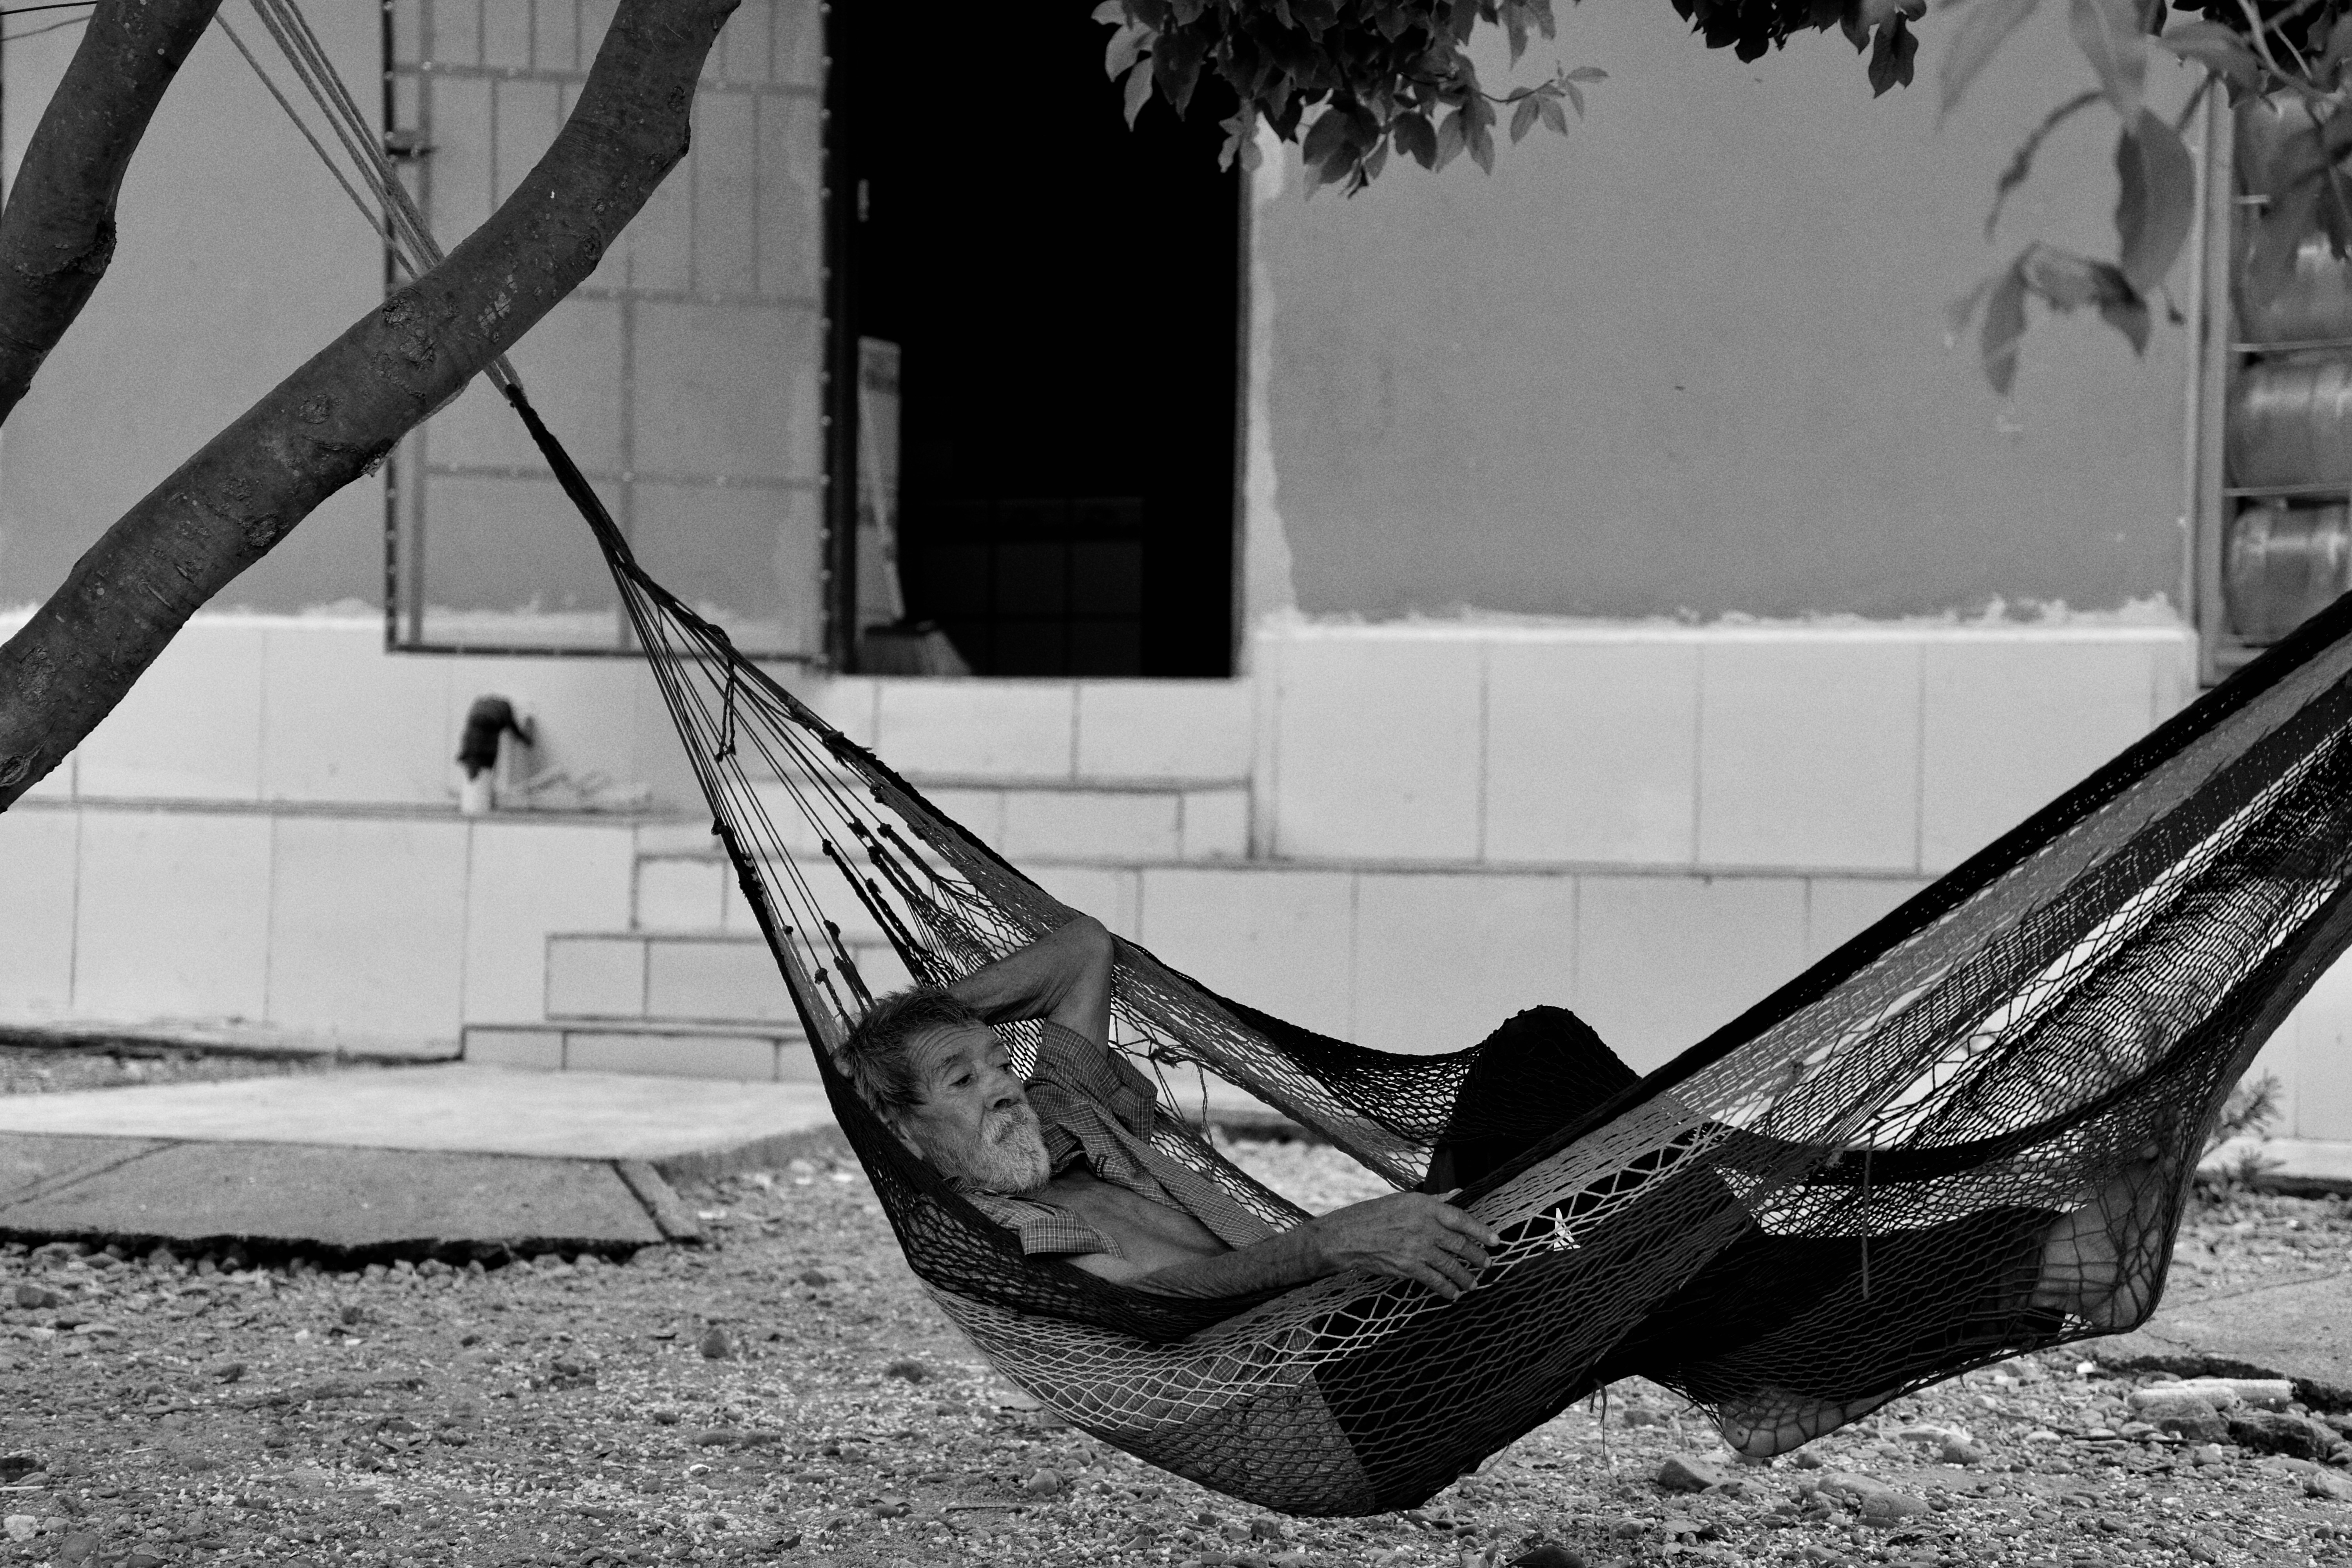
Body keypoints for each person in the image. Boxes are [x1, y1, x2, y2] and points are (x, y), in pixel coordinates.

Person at [836, 914, 2167, 1458]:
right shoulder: (1011, 1225)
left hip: (1378, 1311)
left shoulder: (1067, 1118)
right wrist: (1331, 1243)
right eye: (961, 1091)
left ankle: (1778, 1367)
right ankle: (1994, 1274)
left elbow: (1076, 947)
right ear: (911, 1143)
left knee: (1546, 1073)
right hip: (1336, 1396)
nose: (999, 1087)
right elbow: (1167, 1302)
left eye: (989, 1065)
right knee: (1622, 1244)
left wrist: (915, 1027)